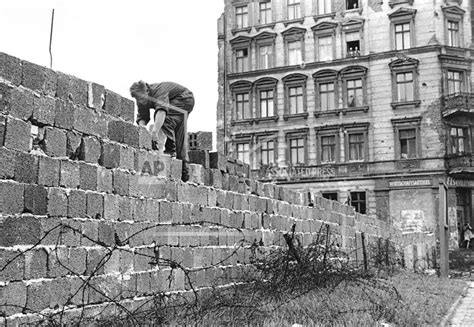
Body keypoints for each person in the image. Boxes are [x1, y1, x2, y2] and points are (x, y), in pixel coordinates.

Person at [130, 80, 194, 182]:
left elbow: (161, 111)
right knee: (179, 135)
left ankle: (170, 151)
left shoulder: (158, 91)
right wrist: (141, 132)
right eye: (138, 99)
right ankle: (184, 171)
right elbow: (143, 117)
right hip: (177, 102)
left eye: (142, 98)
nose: (141, 102)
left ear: (147, 91)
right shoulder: (140, 97)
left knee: (165, 121)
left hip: (185, 98)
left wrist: (155, 132)